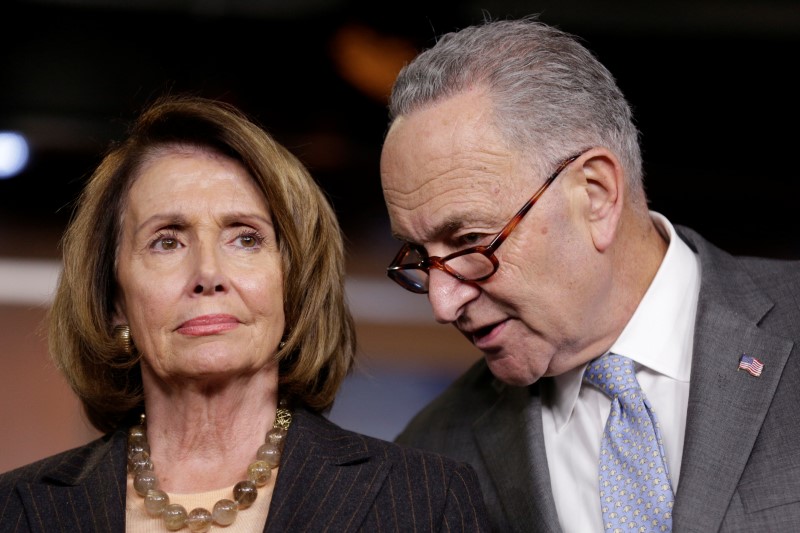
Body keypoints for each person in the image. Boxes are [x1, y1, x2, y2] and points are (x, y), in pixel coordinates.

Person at [380, 15, 800, 533]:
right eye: (421, 257)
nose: (443, 304)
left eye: (470, 241)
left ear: (596, 194)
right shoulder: (432, 455)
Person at [0, 95, 490, 532]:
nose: (208, 273)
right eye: (166, 241)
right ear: (113, 301)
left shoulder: (426, 498)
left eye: (246, 238)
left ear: (293, 284)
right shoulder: (16, 509)